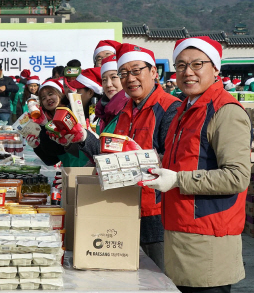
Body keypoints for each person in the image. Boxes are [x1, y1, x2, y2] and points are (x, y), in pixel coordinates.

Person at [142, 36, 251, 293]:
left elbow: (237, 177)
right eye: (180, 65)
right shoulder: (185, 109)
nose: (187, 72)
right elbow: (185, 160)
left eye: (197, 64)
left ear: (215, 69)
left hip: (208, 239)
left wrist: (178, 180)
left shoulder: (226, 111)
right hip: (180, 233)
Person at [67, 43, 181, 271]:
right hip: (122, 206)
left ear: (154, 72)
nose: (130, 78)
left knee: (157, 277)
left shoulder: (170, 108)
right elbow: (108, 157)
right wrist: (82, 137)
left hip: (155, 211)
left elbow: (170, 161)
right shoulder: (125, 111)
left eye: (136, 70)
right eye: (124, 73)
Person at [94, 54, 126, 134]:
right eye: (104, 80)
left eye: (114, 77)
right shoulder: (101, 111)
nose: (108, 84)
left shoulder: (129, 109)